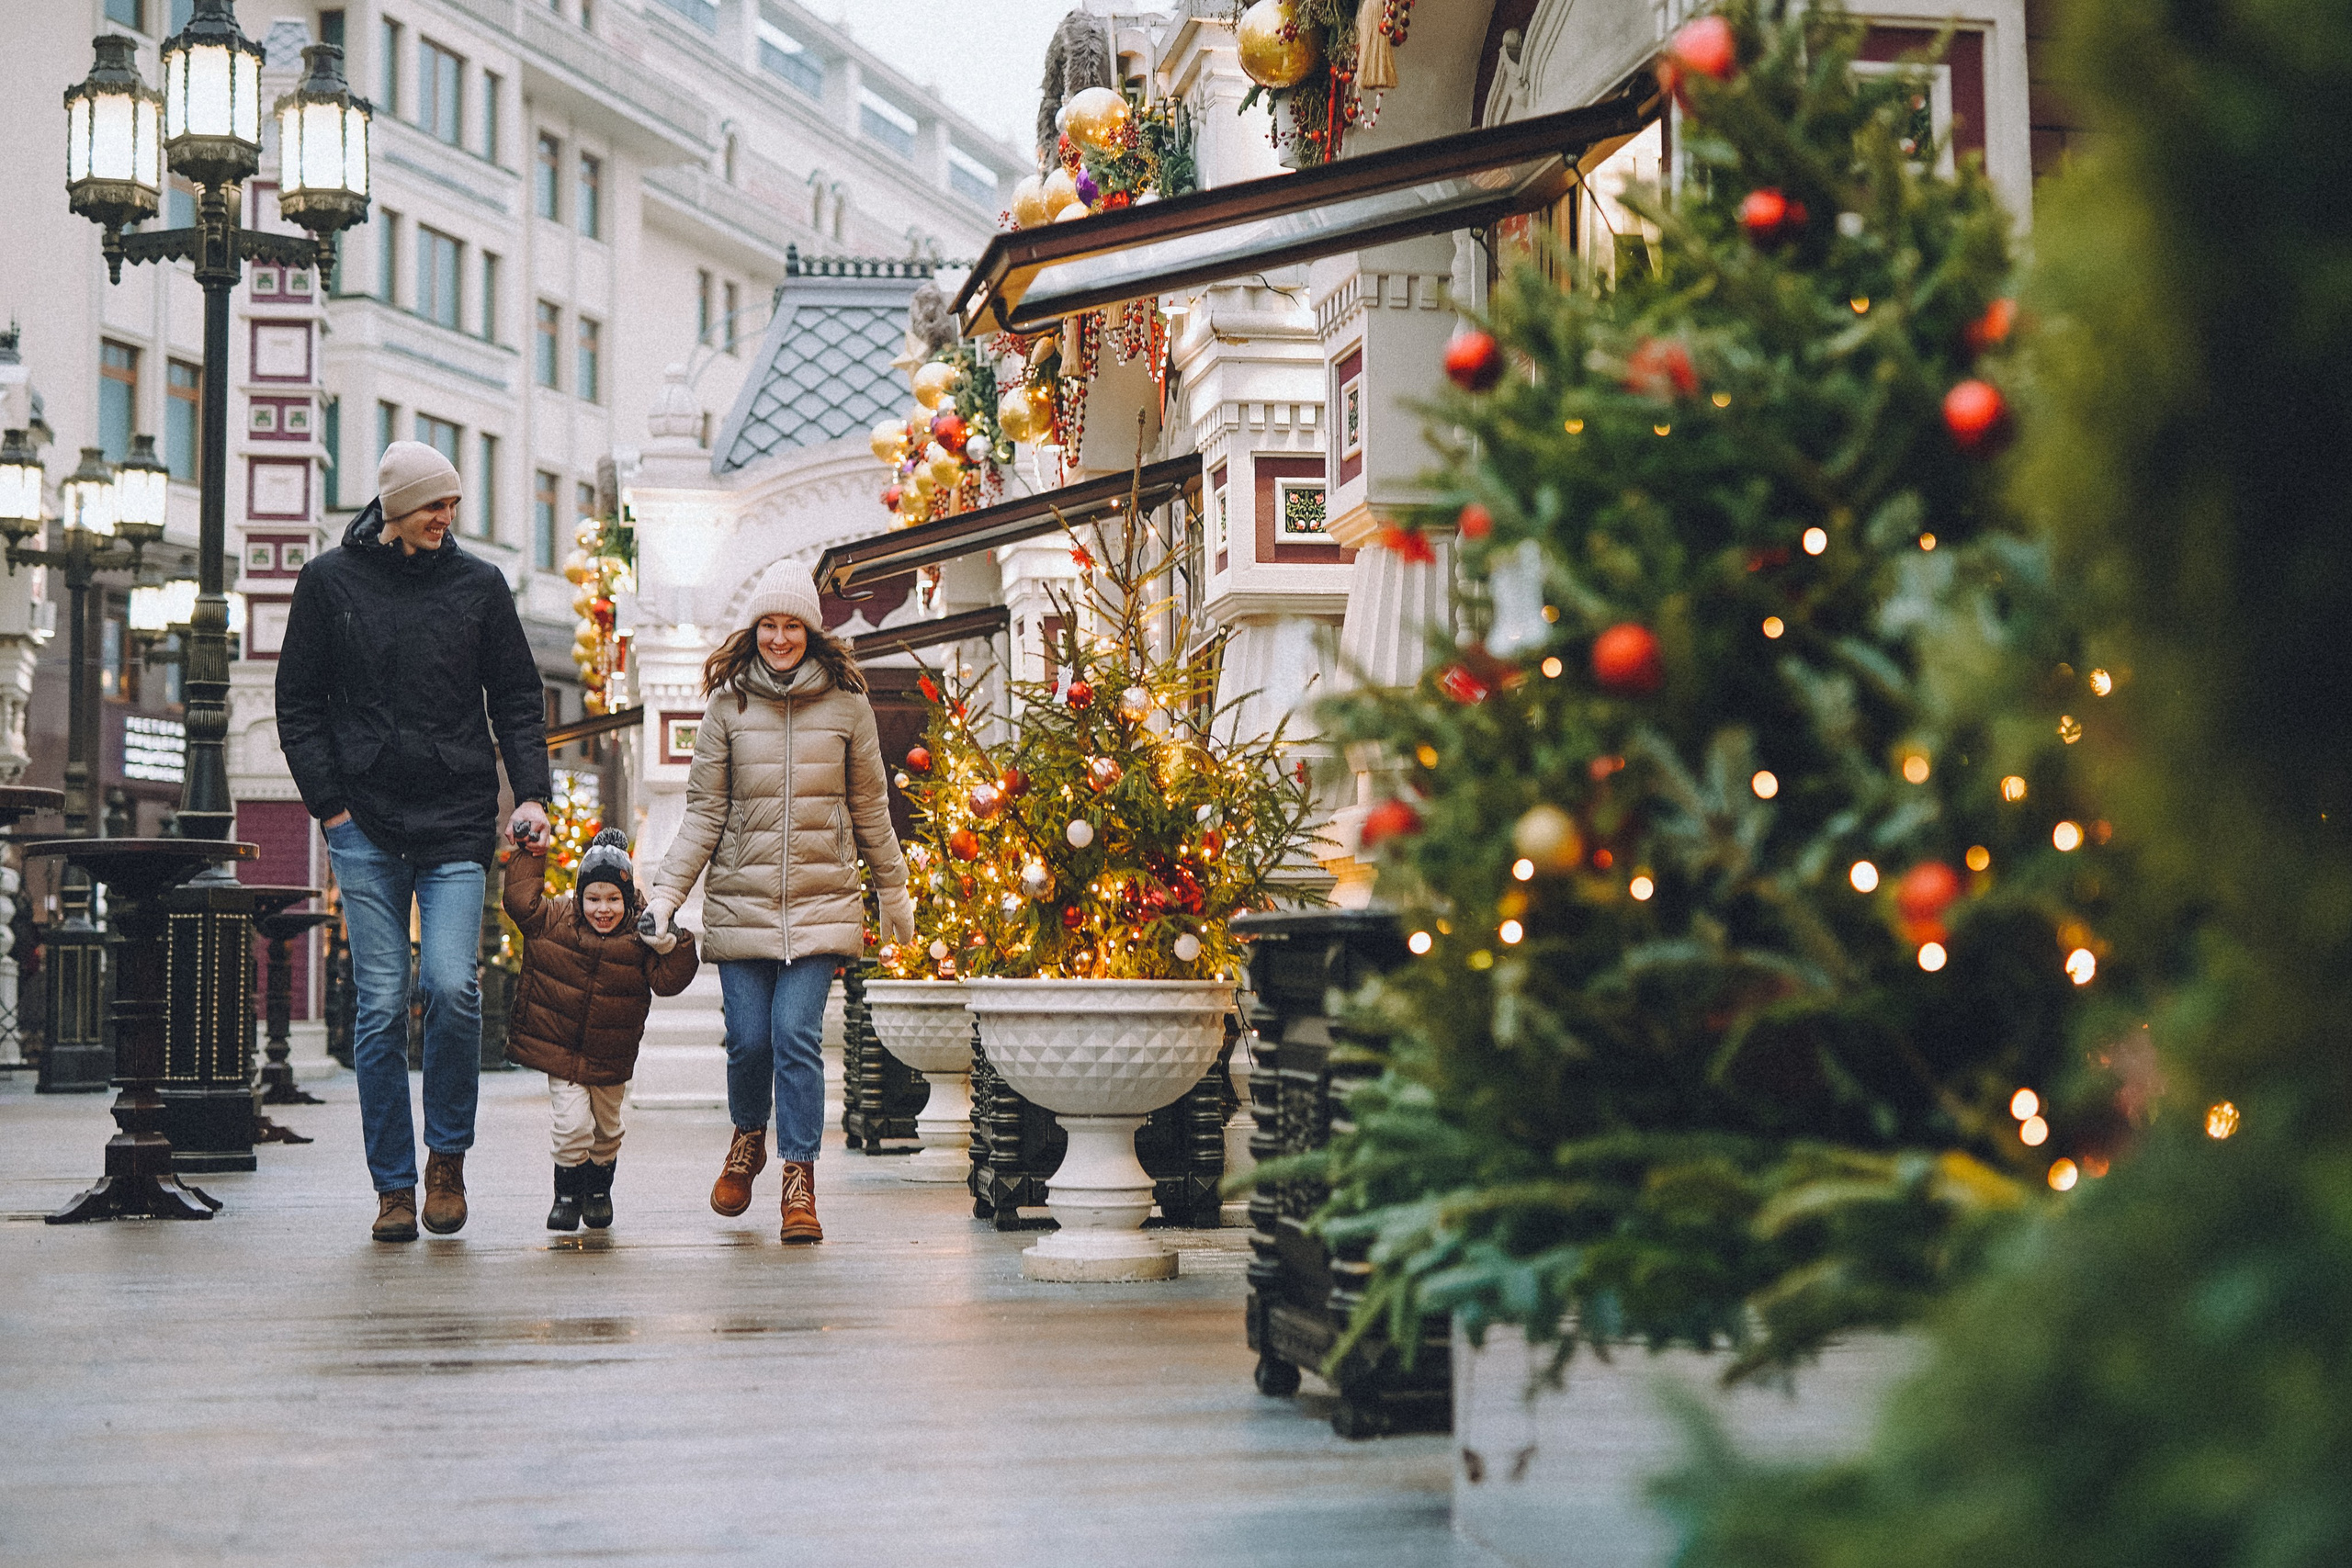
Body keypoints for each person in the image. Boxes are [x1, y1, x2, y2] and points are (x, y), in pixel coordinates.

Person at [276, 440, 551, 1244]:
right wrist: (331, 808)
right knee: (379, 1003)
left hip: (457, 820)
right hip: (363, 824)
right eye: (436, 504)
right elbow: (299, 703)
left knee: (453, 987)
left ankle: (447, 1159)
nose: (448, 518)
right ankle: (394, 1184)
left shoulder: (480, 587)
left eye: (454, 505)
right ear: (396, 508)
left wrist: (531, 791)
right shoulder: (330, 583)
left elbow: (518, 698)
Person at [645, 563, 915, 1245]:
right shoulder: (727, 707)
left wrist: (894, 890)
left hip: (822, 905)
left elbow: (871, 808)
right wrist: (667, 895)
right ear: (754, 630)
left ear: (812, 631)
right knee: (749, 1040)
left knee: (796, 1036)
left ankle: (800, 1178)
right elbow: (703, 813)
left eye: (791, 624)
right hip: (741, 905)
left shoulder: (848, 707)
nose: (779, 637)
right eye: (769, 624)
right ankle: (747, 1137)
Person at [503, 827, 699, 1231]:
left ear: (627, 901)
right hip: (561, 1051)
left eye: (613, 899)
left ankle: (598, 1189)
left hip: (611, 1054)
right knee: (571, 1125)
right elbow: (521, 901)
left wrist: (671, 943)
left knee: (606, 1129)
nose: (602, 909)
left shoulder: (639, 936)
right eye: (593, 898)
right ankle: (567, 1193)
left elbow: (668, 981)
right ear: (580, 897)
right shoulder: (555, 920)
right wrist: (529, 851)